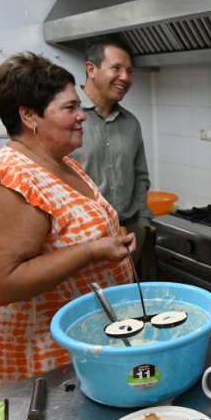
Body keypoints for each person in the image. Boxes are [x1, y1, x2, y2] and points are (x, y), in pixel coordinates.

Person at [0, 52, 135, 390]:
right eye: (69, 108)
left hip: (80, 338)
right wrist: (92, 251)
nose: (81, 117)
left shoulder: (64, 164)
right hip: (38, 350)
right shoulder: (8, 179)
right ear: (29, 116)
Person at [69, 38, 153, 264]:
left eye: (129, 71)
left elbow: (140, 176)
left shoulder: (131, 123)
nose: (125, 78)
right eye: (116, 68)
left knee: (124, 298)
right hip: (80, 241)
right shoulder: (65, 117)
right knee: (89, 299)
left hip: (128, 234)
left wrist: (142, 224)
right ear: (91, 69)